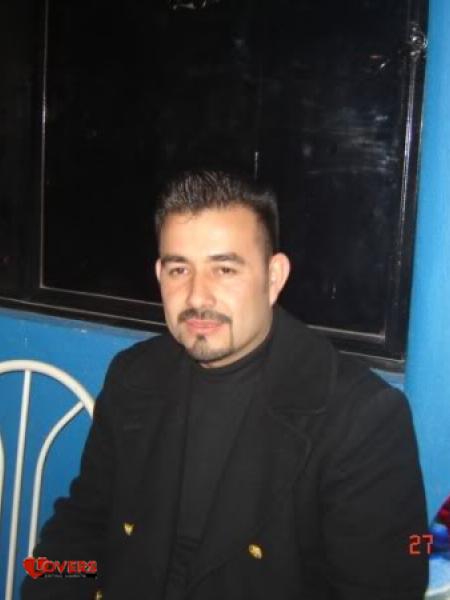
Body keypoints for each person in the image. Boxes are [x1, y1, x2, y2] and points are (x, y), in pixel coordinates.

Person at [22, 170, 429, 599]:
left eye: (224, 269)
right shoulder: (132, 377)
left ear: (274, 278)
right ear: (160, 274)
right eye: (180, 269)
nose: (197, 296)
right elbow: (80, 529)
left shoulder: (360, 418)